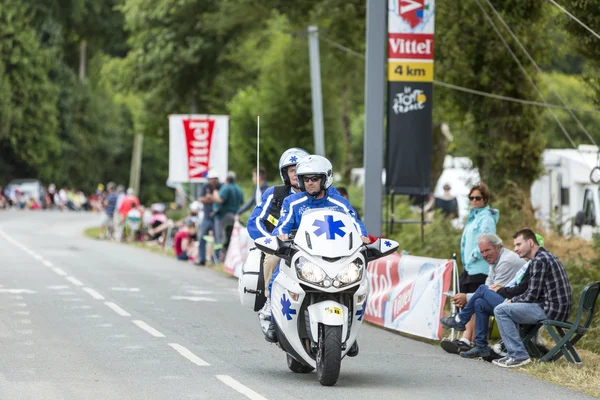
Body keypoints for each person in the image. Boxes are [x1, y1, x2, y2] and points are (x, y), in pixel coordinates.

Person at [264, 155, 369, 343]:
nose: (310, 183)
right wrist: (280, 235)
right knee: (275, 279)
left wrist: (362, 236)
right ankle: (274, 321)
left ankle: (350, 330)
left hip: (336, 257)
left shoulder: (340, 203)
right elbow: (283, 224)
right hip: (303, 256)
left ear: (325, 179)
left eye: (314, 179)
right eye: (306, 179)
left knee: (358, 284)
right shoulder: (293, 202)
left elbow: (355, 223)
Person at [439, 233, 529, 357]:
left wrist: (466, 297)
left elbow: (492, 290)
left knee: (481, 290)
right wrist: (469, 297)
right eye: (482, 252)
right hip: (510, 300)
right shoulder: (495, 260)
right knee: (479, 302)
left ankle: (460, 320)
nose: (484, 255)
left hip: (521, 304)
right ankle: (480, 345)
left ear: (498, 247)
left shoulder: (506, 261)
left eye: (487, 250)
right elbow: (488, 290)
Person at [492, 228, 572, 368]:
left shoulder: (539, 260)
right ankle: (515, 352)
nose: (515, 249)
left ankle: (518, 356)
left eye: (518, 244)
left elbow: (531, 295)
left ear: (530, 242)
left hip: (550, 309)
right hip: (557, 308)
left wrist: (512, 301)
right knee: (508, 309)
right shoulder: (546, 256)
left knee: (501, 310)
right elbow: (534, 293)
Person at [247, 148, 309, 321]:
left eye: (300, 168)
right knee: (273, 258)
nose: (296, 174)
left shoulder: (319, 194)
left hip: (311, 247)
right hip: (281, 246)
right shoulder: (275, 194)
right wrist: (270, 241)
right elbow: (254, 222)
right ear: (285, 174)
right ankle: (269, 300)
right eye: (291, 170)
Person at [443, 182, 499, 354]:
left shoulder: (486, 217)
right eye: (472, 198)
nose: (474, 200)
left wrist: (475, 254)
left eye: (478, 198)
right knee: (466, 301)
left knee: (474, 302)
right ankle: (467, 338)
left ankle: (468, 338)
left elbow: (487, 239)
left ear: (485, 199)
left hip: (479, 266)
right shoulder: (473, 217)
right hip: (469, 267)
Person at [212, 171, 244, 262]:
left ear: (227, 179)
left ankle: (217, 258)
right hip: (234, 216)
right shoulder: (238, 189)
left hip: (222, 215)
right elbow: (241, 202)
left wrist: (215, 194)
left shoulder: (226, 188)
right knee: (233, 237)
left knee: (219, 237)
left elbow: (220, 199)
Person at [196, 170, 221, 265]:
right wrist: (212, 198)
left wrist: (210, 197)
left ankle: (216, 260)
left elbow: (220, 200)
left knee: (217, 239)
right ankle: (201, 259)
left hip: (217, 217)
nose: (212, 181)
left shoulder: (221, 186)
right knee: (202, 237)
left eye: (213, 179)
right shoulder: (205, 186)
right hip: (207, 217)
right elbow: (201, 199)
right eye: (210, 179)